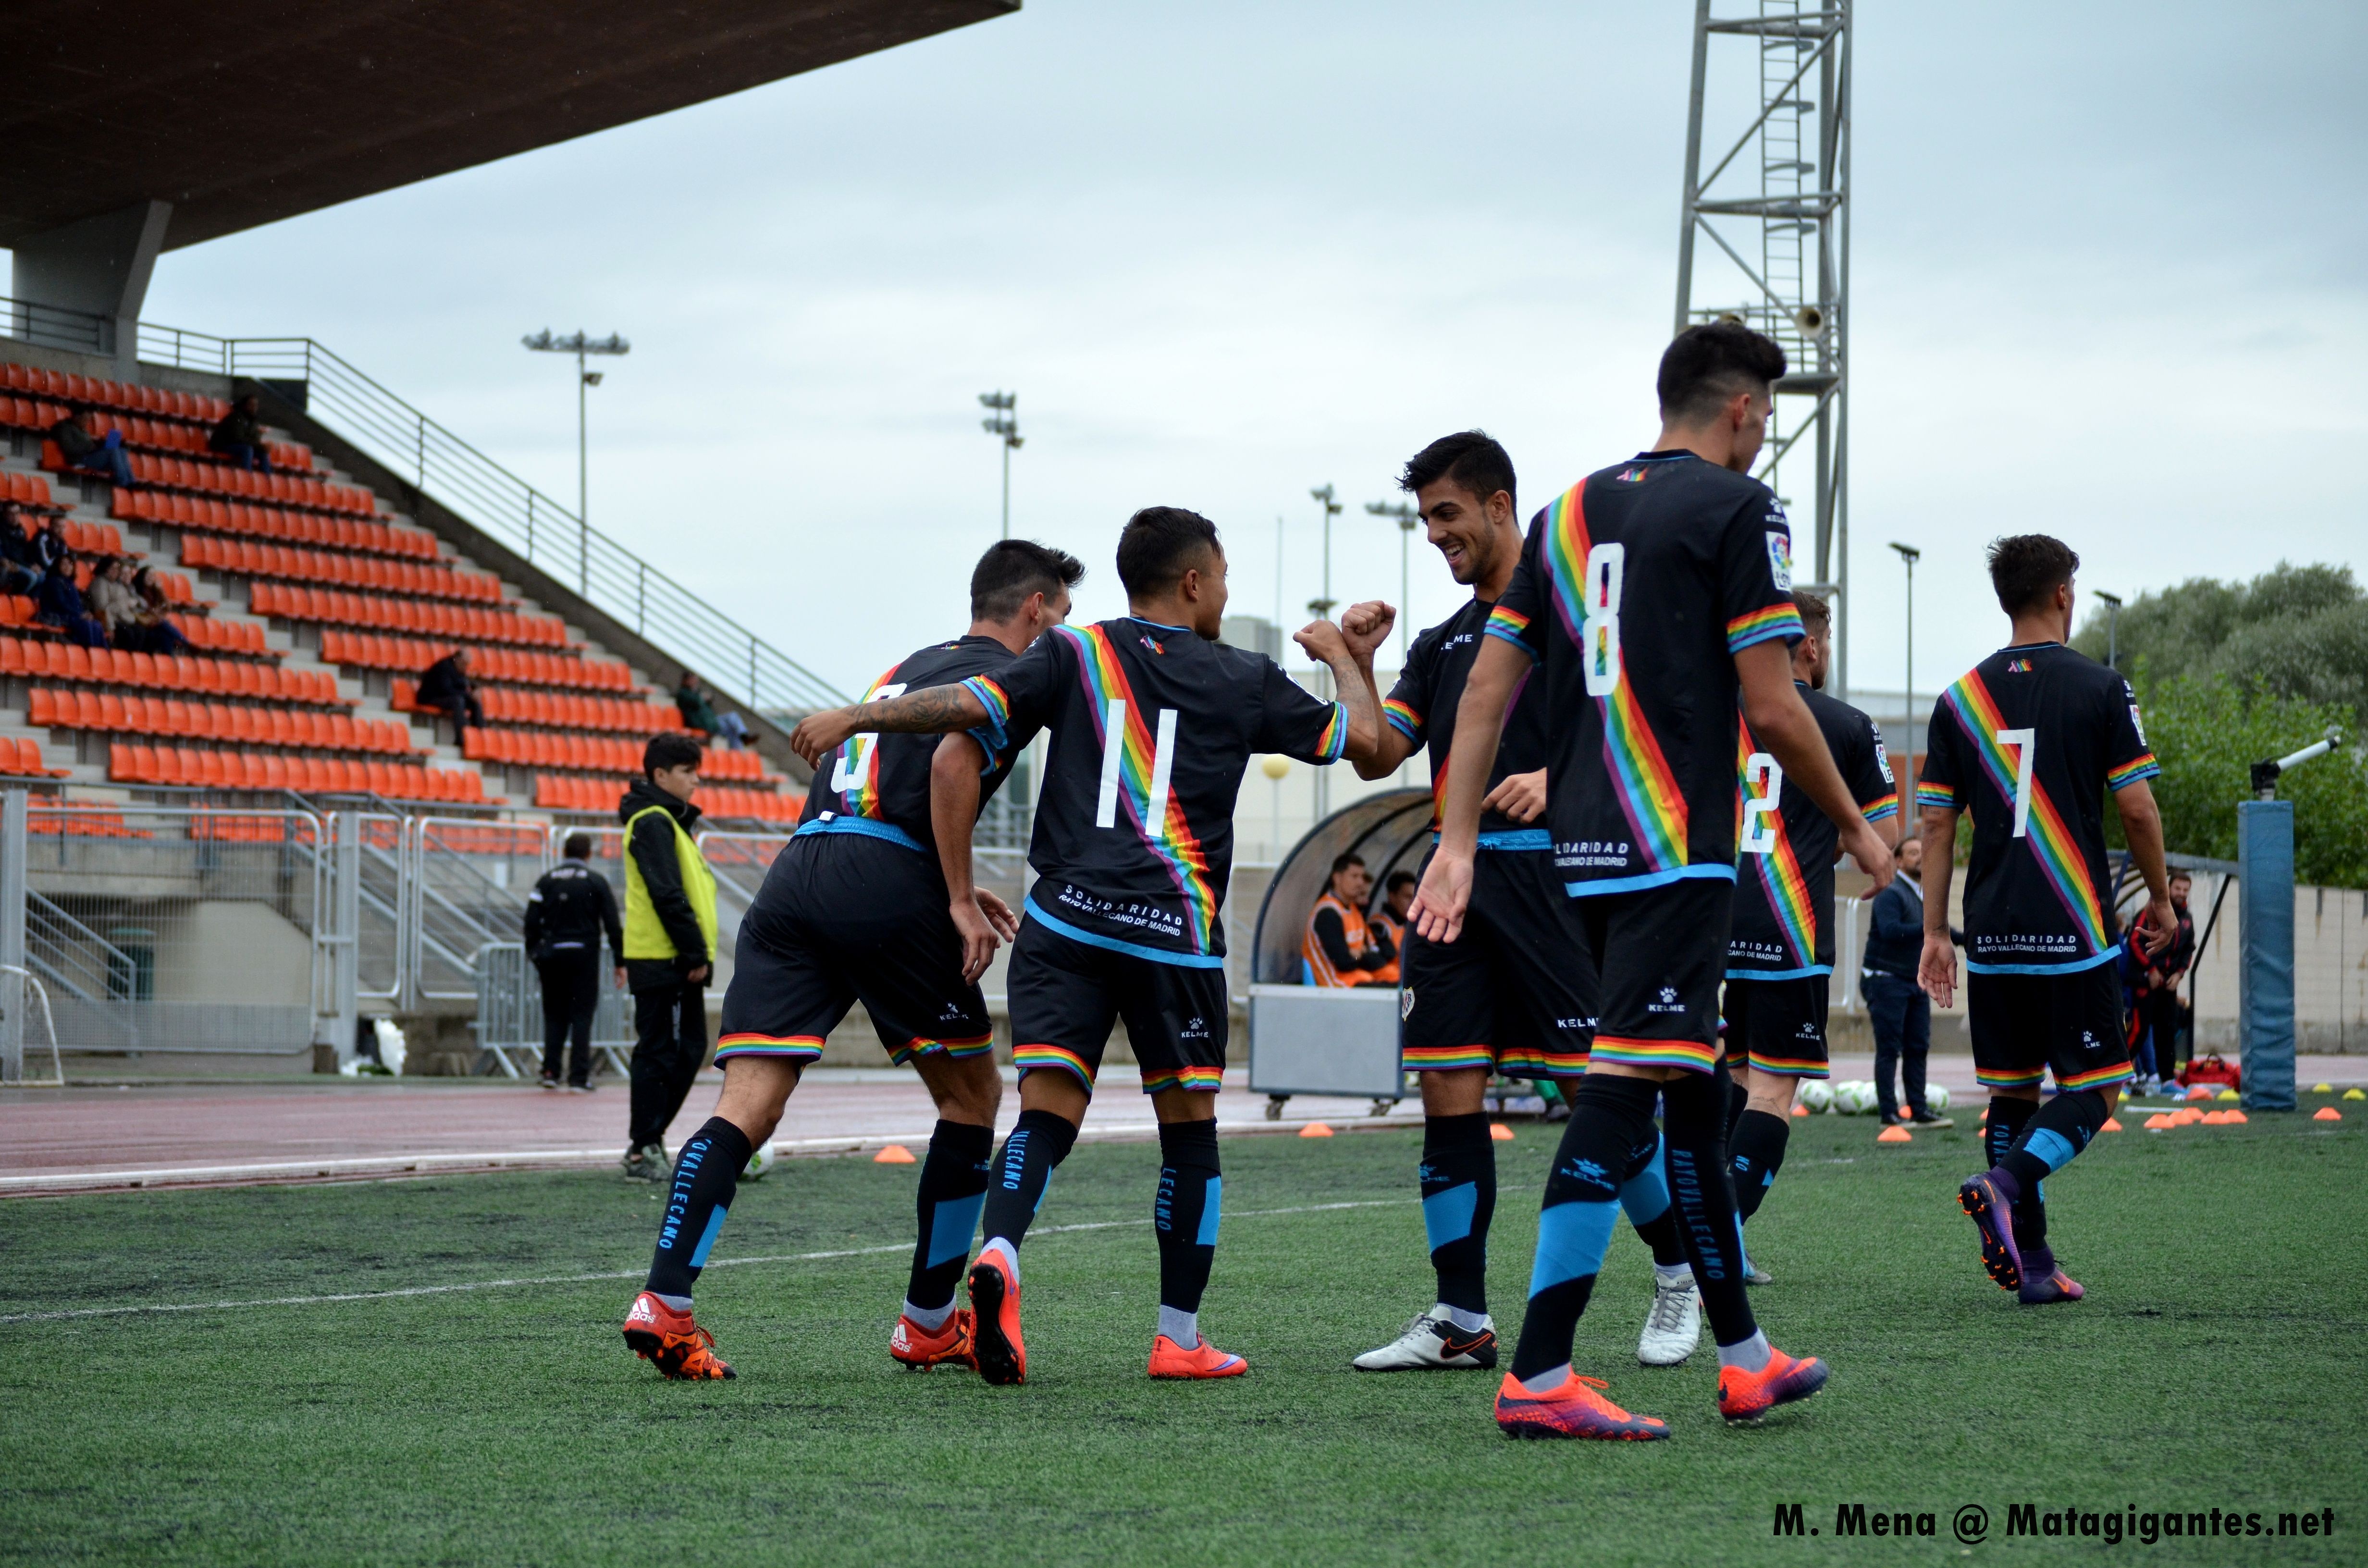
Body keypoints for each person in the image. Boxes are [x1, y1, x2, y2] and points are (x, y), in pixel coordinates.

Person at [1413, 321, 1895, 1438]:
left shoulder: (1567, 511)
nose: (1762, 434)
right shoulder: (1740, 510)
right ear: (1739, 412)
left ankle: (1744, 1356)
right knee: (1624, 1087)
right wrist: (1865, 835)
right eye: (1765, 417)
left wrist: (1455, 839)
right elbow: (1774, 704)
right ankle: (1538, 1372)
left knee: (1683, 1102)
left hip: (1579, 854)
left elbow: (1485, 693)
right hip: (1676, 847)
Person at [788, 505, 1387, 1386]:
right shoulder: (1244, 674)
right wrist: (1343, 654)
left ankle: (999, 1248)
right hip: (1171, 934)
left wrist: (857, 716)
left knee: (1044, 1110)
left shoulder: (1075, 652)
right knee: (1188, 1134)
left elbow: (966, 707)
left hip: (1063, 922)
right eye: (1221, 576)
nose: (1224, 591)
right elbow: (1369, 747)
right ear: (1193, 581)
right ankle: (1179, 1337)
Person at [619, 539, 1084, 1381]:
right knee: (973, 1095)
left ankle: (664, 1299)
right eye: (1062, 615)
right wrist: (948, 892)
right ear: (1036, 610)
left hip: (801, 871)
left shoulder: (904, 664)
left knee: (747, 1100)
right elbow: (950, 761)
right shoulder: (1010, 674)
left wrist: (952, 879)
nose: (1065, 633)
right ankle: (926, 1321)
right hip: (889, 878)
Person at [1343, 430, 1701, 1375]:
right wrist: (1355, 663)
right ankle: (1460, 1316)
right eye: (1425, 521)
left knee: (1594, 1093)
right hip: (1455, 887)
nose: (1435, 537)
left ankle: (1677, 1272)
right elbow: (1380, 752)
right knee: (1446, 1090)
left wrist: (1558, 773)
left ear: (1502, 507)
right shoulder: (1443, 642)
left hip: (1559, 882)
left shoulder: (1580, 620)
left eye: (1447, 516)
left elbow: (1649, 723)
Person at [1921, 535, 2174, 1307]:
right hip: (2071, 924)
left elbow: (1935, 826)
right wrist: (2161, 899)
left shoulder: (1958, 699)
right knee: (2098, 1091)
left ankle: (2032, 1265)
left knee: (2013, 1095)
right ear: (2064, 594)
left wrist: (1936, 932)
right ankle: (2004, 1184)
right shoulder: (2102, 687)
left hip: (1991, 928)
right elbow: (2134, 806)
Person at [1723, 588, 1906, 1238]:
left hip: (1715, 918)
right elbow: (1882, 838)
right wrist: (1819, 840)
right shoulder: (1850, 725)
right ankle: (1714, 1248)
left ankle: (1724, 1248)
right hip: (1789, 918)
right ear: (1812, 646)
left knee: (1738, 1077)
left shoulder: (1725, 715)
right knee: (1774, 1093)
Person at [618, 733, 720, 1181]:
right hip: (663, 957)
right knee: (661, 1051)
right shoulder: (653, 820)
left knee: (686, 1048)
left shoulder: (671, 822)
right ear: (660, 775)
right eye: (687, 771)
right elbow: (666, 892)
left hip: (674, 956)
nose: (696, 781)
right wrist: (693, 950)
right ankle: (643, 1148)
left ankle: (650, 1140)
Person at [1861, 833, 1960, 1124]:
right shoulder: (1891, 893)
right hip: (1886, 980)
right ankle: (1889, 1112)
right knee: (1890, 1048)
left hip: (1914, 981)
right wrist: (1932, 930)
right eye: (1913, 852)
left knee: (1918, 1046)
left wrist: (1970, 939)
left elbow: (1939, 931)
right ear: (1899, 861)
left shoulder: (1923, 894)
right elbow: (1892, 931)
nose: (1920, 856)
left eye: (1923, 852)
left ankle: (1918, 1109)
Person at [524, 831, 625, 1092]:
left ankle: (550, 1071)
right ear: (589, 855)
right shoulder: (596, 881)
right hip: (584, 956)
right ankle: (579, 1077)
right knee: (582, 1015)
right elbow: (613, 924)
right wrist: (620, 961)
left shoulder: (546, 881)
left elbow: (531, 922)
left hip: (553, 957)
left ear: (564, 853)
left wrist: (535, 953)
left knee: (554, 1014)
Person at [2124, 870, 2196, 1094]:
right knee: (2138, 1030)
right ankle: (2117, 1078)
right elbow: (2134, 942)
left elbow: (2188, 950)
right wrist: (2151, 970)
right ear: (2169, 887)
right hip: (2146, 982)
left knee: (2167, 1031)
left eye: (2185, 890)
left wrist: (2179, 974)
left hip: (2168, 985)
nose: (2181, 893)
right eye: (2177, 889)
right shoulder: (2151, 911)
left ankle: (2167, 1082)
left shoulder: (2187, 919)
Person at [1302, 852, 1395, 986]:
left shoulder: (1353, 910)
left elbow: (1372, 954)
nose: (1360, 882)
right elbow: (1344, 962)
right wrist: (1359, 955)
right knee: (1397, 996)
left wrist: (1356, 954)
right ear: (1337, 878)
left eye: (1362, 877)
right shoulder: (1327, 913)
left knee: (1404, 989)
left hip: (1358, 979)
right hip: (1336, 986)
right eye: (1354, 876)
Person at [36, 551, 107, 648]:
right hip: (60, 615)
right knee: (87, 625)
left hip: (73, 615)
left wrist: (85, 613)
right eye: (64, 564)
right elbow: (61, 604)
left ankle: (102, 655)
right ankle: (89, 653)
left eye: (70, 564)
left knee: (97, 625)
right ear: (58, 566)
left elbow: (77, 604)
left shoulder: (70, 583)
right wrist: (80, 615)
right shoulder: (54, 582)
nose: (68, 567)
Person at [49, 409, 134, 489]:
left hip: (90, 456)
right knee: (113, 451)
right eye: (85, 420)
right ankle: (123, 483)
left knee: (121, 450)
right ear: (77, 417)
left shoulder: (83, 430)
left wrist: (98, 446)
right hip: (80, 460)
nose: (86, 423)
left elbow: (88, 445)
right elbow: (69, 448)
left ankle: (131, 481)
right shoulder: (65, 428)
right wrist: (89, 448)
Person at [415, 648, 483, 745]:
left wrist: (475, 692)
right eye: (464, 663)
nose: (466, 667)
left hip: (445, 697)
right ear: (457, 659)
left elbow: (464, 685)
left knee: (475, 702)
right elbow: (446, 690)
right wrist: (469, 695)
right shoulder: (444, 667)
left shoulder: (459, 670)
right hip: (430, 698)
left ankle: (479, 736)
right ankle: (462, 738)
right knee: (458, 701)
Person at [673, 672, 750, 750]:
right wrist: (702, 697)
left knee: (733, 725)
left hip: (710, 722)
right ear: (686, 680)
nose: (695, 682)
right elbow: (695, 703)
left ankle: (740, 744)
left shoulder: (696, 693)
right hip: (703, 724)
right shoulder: (683, 693)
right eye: (693, 679)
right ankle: (744, 736)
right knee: (733, 719)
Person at [207, 394, 275, 473]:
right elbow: (238, 438)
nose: (254, 407)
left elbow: (253, 439)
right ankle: (246, 476)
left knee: (263, 453)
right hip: (224, 444)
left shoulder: (253, 420)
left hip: (239, 445)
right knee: (247, 449)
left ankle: (268, 480)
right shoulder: (237, 417)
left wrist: (260, 436)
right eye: (251, 404)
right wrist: (260, 445)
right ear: (245, 405)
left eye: (256, 405)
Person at [0, 502, 46, 598]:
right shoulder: (2, 530)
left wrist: (33, 564)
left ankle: (31, 603)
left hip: (23, 563)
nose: (15, 517)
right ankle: (15, 601)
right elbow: (9, 553)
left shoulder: (21, 530)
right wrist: (29, 566)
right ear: (5, 515)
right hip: (12, 563)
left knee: (43, 576)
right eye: (11, 514)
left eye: (17, 513)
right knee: (32, 577)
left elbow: (27, 550)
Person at [1370, 870, 1416, 963]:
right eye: (1407, 897)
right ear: (1392, 897)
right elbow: (1390, 956)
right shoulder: (1380, 926)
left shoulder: (1407, 925)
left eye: (1414, 898)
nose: (1412, 903)